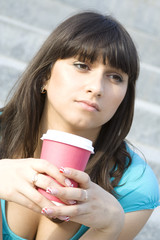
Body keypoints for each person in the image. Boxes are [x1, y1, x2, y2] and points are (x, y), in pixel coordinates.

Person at [0, 11, 159, 240]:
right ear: (45, 75)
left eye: (115, 77)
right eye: (82, 65)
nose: (96, 88)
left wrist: (110, 227)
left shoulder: (134, 187)